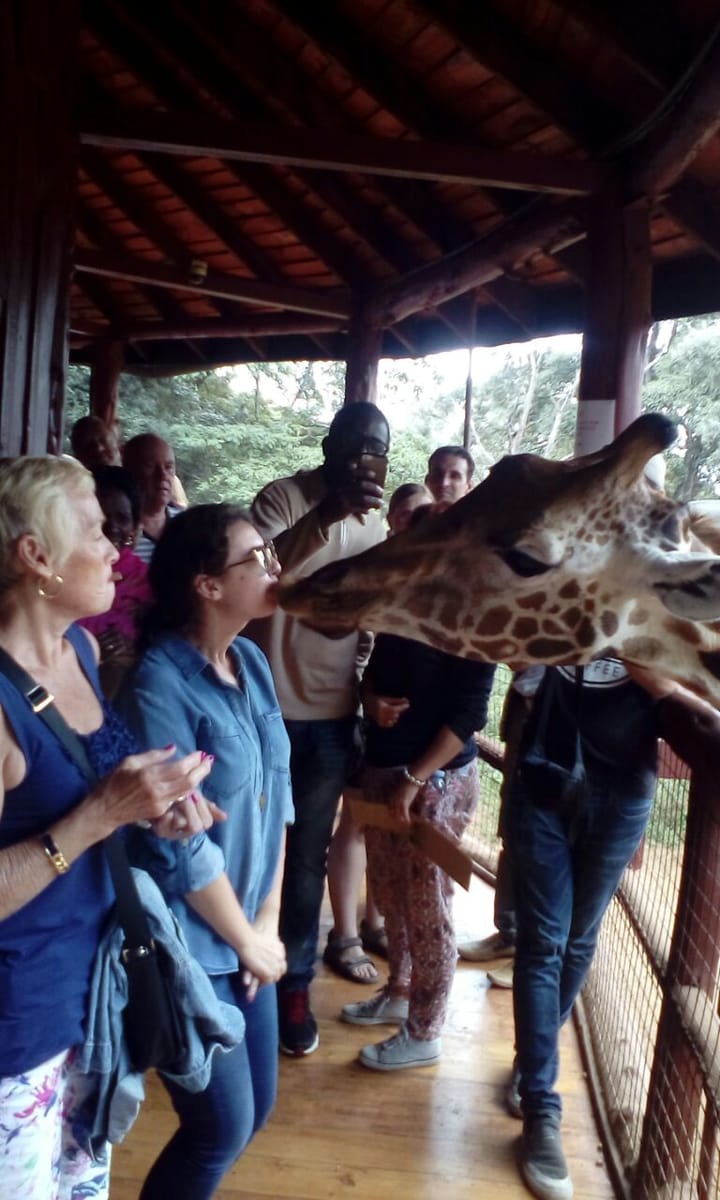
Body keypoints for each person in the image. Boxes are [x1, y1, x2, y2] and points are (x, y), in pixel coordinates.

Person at [0, 456, 211, 1200]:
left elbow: (100, 792)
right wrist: (99, 817)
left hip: (96, 999)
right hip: (17, 1025)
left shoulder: (82, 652)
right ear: (36, 556)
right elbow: (89, 815)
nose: (117, 551)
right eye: (93, 531)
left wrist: (157, 808)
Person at [117, 503, 293, 1199]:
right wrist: (245, 939)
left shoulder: (250, 659)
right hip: (192, 944)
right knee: (218, 1129)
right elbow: (180, 847)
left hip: (250, 933)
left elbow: (277, 793)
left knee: (256, 1112)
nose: (274, 567)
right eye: (257, 558)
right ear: (208, 585)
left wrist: (268, 925)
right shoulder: (158, 684)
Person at [505, 658, 713, 1200]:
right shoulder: (558, 603)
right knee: (543, 943)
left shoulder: (660, 612)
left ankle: (533, 1057)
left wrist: (658, 678)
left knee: (579, 938)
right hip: (543, 777)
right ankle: (542, 1109)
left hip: (623, 790)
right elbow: (508, 650)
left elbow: (686, 685)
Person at [249, 400, 389, 1055]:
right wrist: (326, 514)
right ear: (330, 445)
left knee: (307, 858)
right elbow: (257, 575)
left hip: (332, 719)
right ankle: (240, 969)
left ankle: (294, 983)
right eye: (354, 445)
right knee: (252, 847)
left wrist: (359, 689)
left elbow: (369, 621)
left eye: (376, 449)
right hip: (264, 711)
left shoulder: (377, 525)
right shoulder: (283, 498)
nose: (364, 458)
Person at [339, 505, 496, 1069]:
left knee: (428, 906)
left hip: (433, 781)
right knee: (390, 894)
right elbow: (373, 676)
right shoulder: (404, 605)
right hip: (385, 770)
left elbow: (469, 715)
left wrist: (415, 778)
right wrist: (370, 701)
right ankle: (400, 991)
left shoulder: (476, 615)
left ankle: (425, 1031)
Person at [458, 667, 545, 984]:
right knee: (512, 827)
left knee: (540, 841)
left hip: (558, 714)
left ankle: (530, 954)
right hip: (527, 705)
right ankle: (509, 934)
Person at [78, 465, 153, 697]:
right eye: (103, 516)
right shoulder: (62, 577)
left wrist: (133, 648)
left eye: (123, 518)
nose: (112, 527)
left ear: (134, 527)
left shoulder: (149, 582)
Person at [122, 432, 183, 563]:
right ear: (129, 471)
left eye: (168, 467)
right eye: (150, 466)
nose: (163, 475)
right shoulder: (118, 530)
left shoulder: (187, 524)